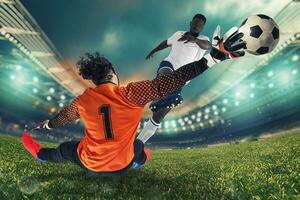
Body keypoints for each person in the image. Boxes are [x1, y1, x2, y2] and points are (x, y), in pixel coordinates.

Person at [22, 25, 245, 177]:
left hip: (90, 165)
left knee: (65, 150)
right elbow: (176, 78)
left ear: (94, 79)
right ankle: (140, 161)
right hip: (122, 165)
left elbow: (63, 118)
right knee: (138, 146)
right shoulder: (131, 93)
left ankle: (40, 155)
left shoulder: (82, 101)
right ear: (113, 73)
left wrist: (48, 124)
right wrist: (215, 57)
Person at [138, 14, 212, 143]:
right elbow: (166, 43)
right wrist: (154, 51)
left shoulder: (203, 40)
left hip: (183, 76)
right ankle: (160, 98)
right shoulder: (179, 34)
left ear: (202, 27)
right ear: (190, 23)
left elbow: (208, 46)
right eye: (195, 22)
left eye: (200, 24)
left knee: (160, 114)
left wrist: (195, 40)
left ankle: (140, 141)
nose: (196, 25)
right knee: (166, 78)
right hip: (169, 65)